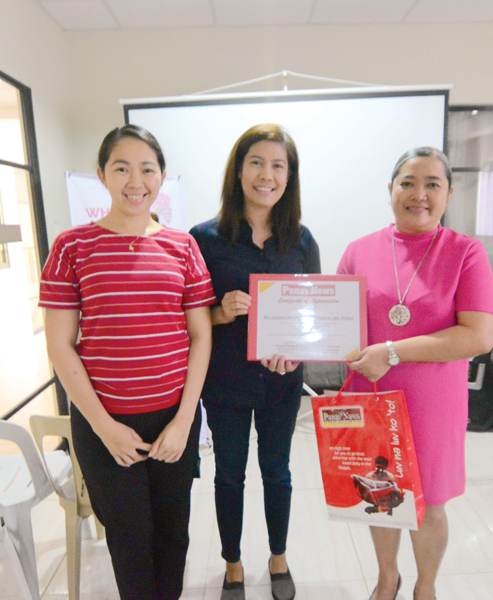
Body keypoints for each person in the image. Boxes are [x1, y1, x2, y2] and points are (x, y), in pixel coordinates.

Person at [39, 125, 215, 600]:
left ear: (161, 177)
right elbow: (60, 345)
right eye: (121, 168)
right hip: (105, 424)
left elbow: (200, 336)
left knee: (173, 535)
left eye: (147, 169)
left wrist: (183, 421)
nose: (135, 181)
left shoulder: (183, 247)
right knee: (129, 541)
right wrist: (102, 426)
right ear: (101, 175)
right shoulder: (72, 248)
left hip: (172, 422)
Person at [337, 147, 493, 600]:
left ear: (449, 192)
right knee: (380, 499)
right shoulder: (359, 250)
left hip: (433, 401)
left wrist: (391, 350)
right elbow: (340, 327)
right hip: (371, 396)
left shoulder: (466, 252)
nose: (419, 194)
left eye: (432, 184)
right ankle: (388, 577)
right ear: (390, 189)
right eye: (408, 182)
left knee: (429, 506)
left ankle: (426, 586)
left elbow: (478, 336)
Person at [190, 124, 321, 600]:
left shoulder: (302, 241)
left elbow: (314, 318)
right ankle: (232, 562)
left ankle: (279, 557)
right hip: (224, 380)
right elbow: (188, 318)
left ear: (290, 176)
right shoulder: (203, 239)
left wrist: (299, 349)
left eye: (278, 166)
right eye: (257, 163)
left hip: (282, 382)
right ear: (239, 170)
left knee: (278, 470)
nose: (267, 175)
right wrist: (219, 312)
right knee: (229, 473)